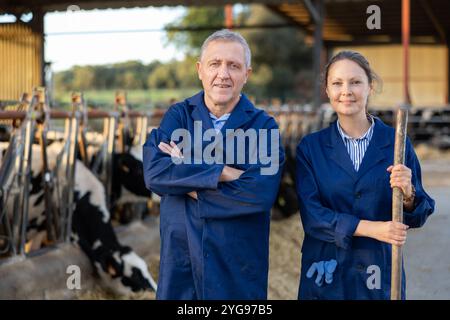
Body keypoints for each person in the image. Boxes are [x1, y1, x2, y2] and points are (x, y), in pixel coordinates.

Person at [143, 29, 284, 300]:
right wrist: (222, 172)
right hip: (181, 262)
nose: (223, 73)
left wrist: (185, 179)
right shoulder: (179, 115)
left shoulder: (264, 126)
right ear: (200, 70)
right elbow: (155, 174)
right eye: (214, 64)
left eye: (234, 65)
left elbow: (258, 195)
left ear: (247, 74)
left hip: (237, 266)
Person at [295, 50, 435, 300]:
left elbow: (420, 213)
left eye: (355, 82)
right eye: (337, 83)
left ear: (370, 87)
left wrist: (408, 194)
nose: (346, 90)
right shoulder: (311, 148)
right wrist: (372, 228)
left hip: (378, 276)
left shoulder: (396, 144)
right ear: (327, 91)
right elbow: (313, 217)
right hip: (326, 274)